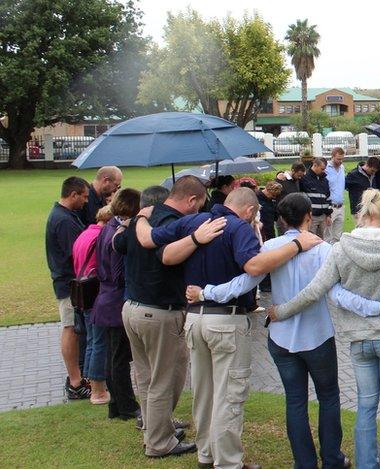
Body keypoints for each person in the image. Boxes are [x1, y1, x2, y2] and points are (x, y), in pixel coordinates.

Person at [136, 187, 319, 468]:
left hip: (195, 318)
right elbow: (254, 267)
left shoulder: (193, 221)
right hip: (226, 319)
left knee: (205, 392)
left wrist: (140, 216)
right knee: (229, 394)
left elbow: (150, 240)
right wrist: (296, 245)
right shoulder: (238, 228)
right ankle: (228, 461)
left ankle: (207, 454)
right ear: (249, 210)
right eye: (255, 213)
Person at [207, 193, 349, 469]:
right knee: (328, 396)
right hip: (316, 335)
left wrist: (208, 291)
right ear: (309, 216)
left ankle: (305, 463)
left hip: (282, 336)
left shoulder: (271, 246)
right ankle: (332, 459)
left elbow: (244, 282)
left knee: (295, 400)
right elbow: (338, 293)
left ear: (282, 220)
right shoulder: (322, 249)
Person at [270, 190, 380, 469]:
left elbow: (316, 291)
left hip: (359, 339)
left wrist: (281, 311)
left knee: (366, 406)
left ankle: (367, 464)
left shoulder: (341, 247)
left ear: (361, 216)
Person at [115, 178, 205, 458]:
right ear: (191, 200)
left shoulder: (141, 219)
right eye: (199, 205)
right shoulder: (174, 225)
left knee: (146, 378)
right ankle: (159, 442)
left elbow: (119, 244)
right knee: (166, 380)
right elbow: (167, 256)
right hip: (160, 312)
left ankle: (155, 429)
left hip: (132, 307)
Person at [92, 188, 144, 421]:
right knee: (120, 357)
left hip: (107, 298)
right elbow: (117, 272)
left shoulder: (108, 227)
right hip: (115, 301)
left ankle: (117, 403)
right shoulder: (116, 232)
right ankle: (125, 405)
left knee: (115, 355)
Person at [46, 176, 90, 401]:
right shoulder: (63, 220)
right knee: (71, 328)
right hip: (68, 284)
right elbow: (76, 254)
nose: (86, 201)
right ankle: (74, 382)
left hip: (69, 282)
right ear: (73, 194)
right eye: (84, 196)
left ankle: (77, 377)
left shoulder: (66, 216)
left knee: (73, 327)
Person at [72, 205, 113, 405]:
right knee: (99, 342)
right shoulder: (101, 238)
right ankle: (98, 390)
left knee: (91, 340)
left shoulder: (84, 234)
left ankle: (90, 383)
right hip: (95, 293)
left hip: (82, 292)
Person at [301, 158, 334, 239]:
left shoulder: (325, 180)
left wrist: (328, 215)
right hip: (311, 216)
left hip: (323, 216)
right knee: (310, 239)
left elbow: (328, 197)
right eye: (322, 169)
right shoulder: (304, 178)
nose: (323, 171)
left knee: (323, 240)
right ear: (315, 165)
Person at [324, 147, 347, 243]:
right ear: (332, 157)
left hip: (341, 206)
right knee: (327, 236)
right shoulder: (325, 169)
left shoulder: (342, 167)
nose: (340, 161)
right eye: (338, 159)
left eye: (342, 159)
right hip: (330, 206)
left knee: (337, 237)